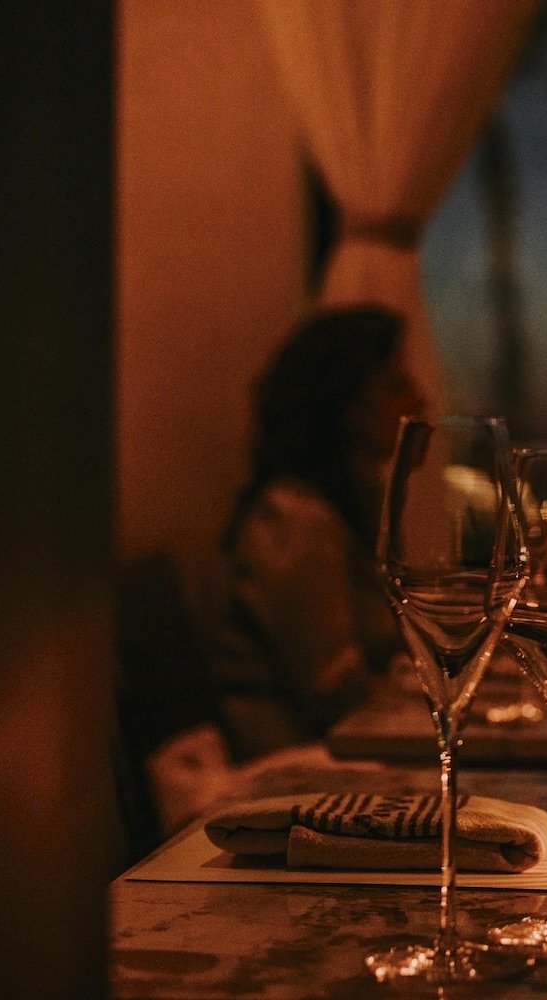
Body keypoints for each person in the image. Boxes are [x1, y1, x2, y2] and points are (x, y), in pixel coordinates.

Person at [214, 306, 429, 758]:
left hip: (343, 754)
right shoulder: (293, 518)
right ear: (345, 404)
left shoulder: (354, 505)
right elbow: (334, 693)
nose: (421, 400)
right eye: (396, 387)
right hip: (292, 770)